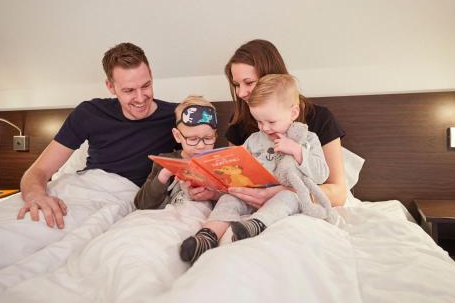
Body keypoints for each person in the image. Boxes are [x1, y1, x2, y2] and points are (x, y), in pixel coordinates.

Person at [17, 42, 179, 229]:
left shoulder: (176, 117)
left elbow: (200, 155)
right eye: (129, 90)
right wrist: (36, 195)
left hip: (124, 196)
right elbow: (38, 171)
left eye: (146, 86)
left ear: (151, 75)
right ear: (110, 86)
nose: (141, 98)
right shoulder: (89, 112)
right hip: (78, 187)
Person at [179, 74, 332, 264]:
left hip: (285, 196)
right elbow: (237, 169)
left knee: (287, 197)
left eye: (271, 122)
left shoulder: (308, 140)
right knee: (229, 198)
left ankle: (255, 225)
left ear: (292, 113)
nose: (265, 128)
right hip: (252, 193)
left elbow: (322, 175)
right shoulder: (253, 140)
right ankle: (208, 235)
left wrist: (298, 151)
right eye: (259, 122)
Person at [223, 39, 347, 208]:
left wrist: (283, 193)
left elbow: (339, 194)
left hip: (300, 206)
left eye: (249, 82)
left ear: (271, 78)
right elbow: (234, 179)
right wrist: (213, 190)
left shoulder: (319, 118)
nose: (241, 93)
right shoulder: (239, 123)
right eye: (236, 85)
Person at [134, 95, 219, 210]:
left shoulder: (221, 161)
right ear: (177, 136)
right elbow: (142, 205)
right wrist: (163, 175)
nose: (201, 146)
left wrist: (214, 195)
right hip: (170, 216)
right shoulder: (165, 161)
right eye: (193, 139)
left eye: (208, 138)